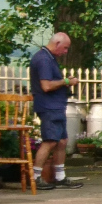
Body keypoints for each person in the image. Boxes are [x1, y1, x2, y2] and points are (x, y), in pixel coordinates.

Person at [29, 32, 81, 190]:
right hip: (48, 106)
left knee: (61, 141)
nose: (65, 52)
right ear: (57, 43)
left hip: (56, 106)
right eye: (65, 48)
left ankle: (60, 176)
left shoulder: (48, 58)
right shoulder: (44, 59)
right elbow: (46, 86)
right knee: (50, 141)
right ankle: (36, 177)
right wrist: (66, 81)